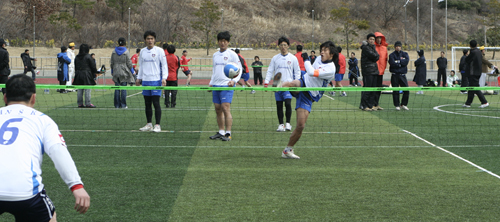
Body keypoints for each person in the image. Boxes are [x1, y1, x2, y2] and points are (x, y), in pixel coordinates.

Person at [0, 74, 90, 221]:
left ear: (5, 98)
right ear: (33, 98)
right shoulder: (43, 120)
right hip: (26, 193)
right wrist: (76, 186)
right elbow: (59, 153)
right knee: (50, 217)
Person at [278, 41, 337, 159]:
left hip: (310, 95)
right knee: (293, 83)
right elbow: (309, 73)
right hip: (304, 81)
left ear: (331, 54)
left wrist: (306, 59)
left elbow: (312, 71)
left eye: (325, 50)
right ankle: (279, 86)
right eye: (322, 49)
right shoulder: (320, 58)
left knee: (300, 126)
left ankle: (287, 150)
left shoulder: (331, 68)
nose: (322, 52)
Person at [208, 31, 242, 141]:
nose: (223, 43)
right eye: (221, 41)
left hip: (227, 85)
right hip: (216, 85)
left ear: (228, 42)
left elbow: (239, 69)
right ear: (218, 42)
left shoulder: (232, 54)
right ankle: (221, 131)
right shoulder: (215, 55)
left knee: (225, 108)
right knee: (217, 109)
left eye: (225, 41)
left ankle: (228, 133)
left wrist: (234, 81)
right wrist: (211, 83)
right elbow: (214, 70)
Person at [264, 36, 301, 132]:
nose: (283, 47)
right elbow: (270, 70)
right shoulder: (275, 58)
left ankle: (288, 124)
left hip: (288, 85)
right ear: (279, 46)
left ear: (288, 46)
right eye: (281, 45)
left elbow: (297, 71)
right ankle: (281, 124)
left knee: (288, 103)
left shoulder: (293, 58)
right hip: (277, 85)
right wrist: (266, 82)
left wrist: (296, 82)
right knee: (279, 105)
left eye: (285, 45)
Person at [136, 30, 168, 132]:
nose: (150, 40)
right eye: (148, 39)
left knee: (156, 103)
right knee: (147, 103)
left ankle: (157, 125)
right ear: (145, 40)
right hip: (146, 81)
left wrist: (164, 78)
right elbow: (141, 66)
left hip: (156, 81)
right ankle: (149, 124)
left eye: (152, 39)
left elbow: (164, 65)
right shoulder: (142, 51)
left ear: (154, 40)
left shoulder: (159, 51)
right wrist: (138, 78)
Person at [463, 40, 489, 108]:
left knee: (475, 88)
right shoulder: (479, 52)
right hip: (478, 72)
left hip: (473, 73)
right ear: (477, 45)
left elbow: (467, 60)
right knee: (471, 87)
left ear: (470, 45)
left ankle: (484, 102)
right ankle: (468, 103)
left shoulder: (473, 52)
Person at [110, 37, 135, 109]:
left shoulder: (114, 51)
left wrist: (112, 71)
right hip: (124, 71)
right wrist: (132, 72)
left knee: (117, 88)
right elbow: (129, 63)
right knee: (123, 88)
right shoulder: (126, 52)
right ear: (125, 43)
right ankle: (123, 105)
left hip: (116, 71)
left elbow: (112, 62)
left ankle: (117, 105)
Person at [73, 44, 98, 108]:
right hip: (87, 74)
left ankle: (80, 103)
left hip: (78, 74)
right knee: (87, 89)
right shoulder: (88, 56)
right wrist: (96, 72)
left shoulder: (77, 57)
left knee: (80, 90)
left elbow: (75, 66)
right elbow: (93, 66)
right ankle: (88, 103)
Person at [359, 33, 380, 111]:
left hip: (374, 70)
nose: (372, 41)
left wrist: (376, 56)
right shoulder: (365, 48)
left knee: (373, 89)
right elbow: (374, 56)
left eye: (373, 39)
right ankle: (364, 105)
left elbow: (377, 56)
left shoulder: (373, 47)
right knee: (367, 88)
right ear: (367, 40)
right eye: (371, 39)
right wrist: (375, 56)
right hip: (368, 70)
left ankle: (370, 105)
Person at [388, 41, 410, 111]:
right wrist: (400, 63)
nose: (398, 47)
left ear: (401, 47)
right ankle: (397, 105)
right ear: (394, 47)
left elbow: (406, 62)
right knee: (395, 91)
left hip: (402, 75)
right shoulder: (392, 55)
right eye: (396, 46)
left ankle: (403, 104)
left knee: (406, 90)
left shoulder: (405, 54)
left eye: (399, 46)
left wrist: (398, 62)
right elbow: (392, 63)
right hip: (395, 75)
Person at [373, 32, 388, 110]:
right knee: (373, 88)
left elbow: (386, 59)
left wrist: (383, 69)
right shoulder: (373, 47)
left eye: (380, 38)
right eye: (377, 38)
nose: (379, 40)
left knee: (379, 88)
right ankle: (372, 104)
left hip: (381, 71)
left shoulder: (384, 48)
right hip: (373, 71)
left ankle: (376, 103)